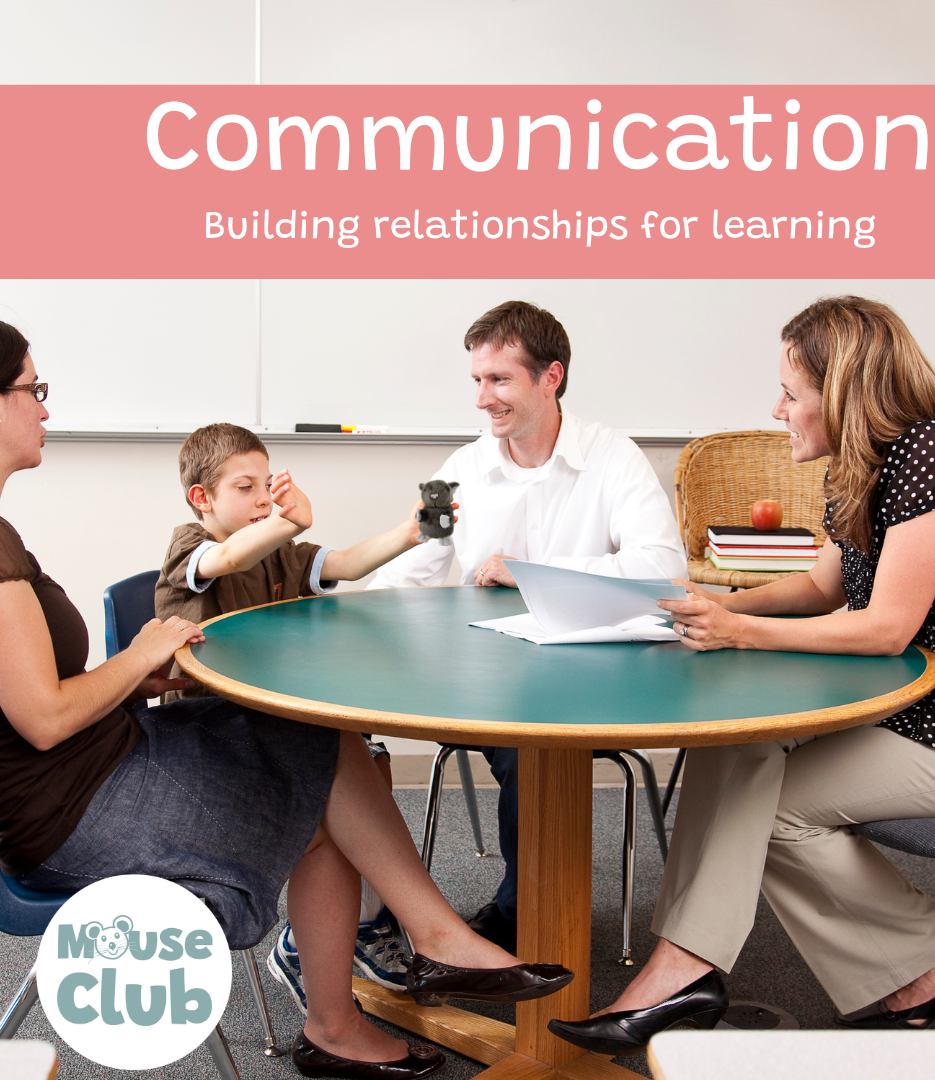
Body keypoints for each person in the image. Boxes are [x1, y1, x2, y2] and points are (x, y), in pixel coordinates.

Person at [0, 320, 572, 1080]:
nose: (45, 408)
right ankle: (396, 970)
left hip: (104, 751)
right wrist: (136, 655)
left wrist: (138, 674)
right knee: (317, 779)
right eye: (32, 390)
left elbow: (31, 695)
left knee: (316, 739)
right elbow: (41, 720)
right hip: (68, 803)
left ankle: (393, 973)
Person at [548, 295, 935, 1054]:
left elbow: (887, 623)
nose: (777, 408)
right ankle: (922, 970)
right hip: (928, 716)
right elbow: (824, 588)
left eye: (791, 393)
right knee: (735, 748)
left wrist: (740, 632)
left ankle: (933, 965)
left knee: (770, 811)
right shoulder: (859, 469)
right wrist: (716, 604)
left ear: (843, 393)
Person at [369, 300, 687, 951]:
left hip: (603, 681)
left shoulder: (615, 458)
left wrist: (532, 569)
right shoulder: (455, 470)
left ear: (552, 378)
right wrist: (348, 619)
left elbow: (664, 572)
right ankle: (517, 911)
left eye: (500, 380)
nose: (483, 399)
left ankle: (522, 917)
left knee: (531, 744)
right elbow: (414, 571)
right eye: (477, 382)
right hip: (489, 682)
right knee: (520, 741)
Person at [156, 422, 438, 1001]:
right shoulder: (191, 549)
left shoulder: (279, 551)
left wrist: (411, 532)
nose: (263, 498)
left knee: (369, 756)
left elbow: (351, 563)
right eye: (245, 487)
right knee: (340, 768)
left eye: (268, 483)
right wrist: (288, 519)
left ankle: (360, 922)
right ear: (201, 498)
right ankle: (333, 934)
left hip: (276, 721)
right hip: (211, 736)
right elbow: (229, 558)